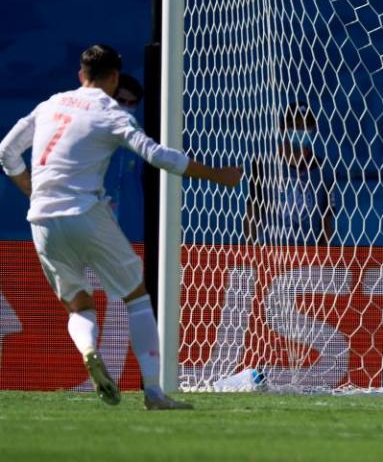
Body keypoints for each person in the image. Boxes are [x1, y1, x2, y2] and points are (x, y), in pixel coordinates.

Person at [0, 44, 242, 410]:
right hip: (85, 211)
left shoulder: (50, 104)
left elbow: (6, 151)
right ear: (113, 79)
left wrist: (34, 192)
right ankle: (154, 392)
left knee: (79, 304)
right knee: (136, 296)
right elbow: (159, 156)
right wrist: (216, 175)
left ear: (81, 75)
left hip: (41, 219)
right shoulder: (112, 113)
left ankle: (89, 350)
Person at [243, 102, 335, 246]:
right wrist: (252, 253)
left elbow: (327, 221)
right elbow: (251, 214)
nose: (301, 131)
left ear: (313, 129)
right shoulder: (263, 165)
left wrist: (322, 260)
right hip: (271, 254)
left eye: (306, 126)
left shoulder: (323, 170)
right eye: (296, 125)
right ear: (282, 128)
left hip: (309, 258)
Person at [105, 73, 145, 237]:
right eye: (121, 101)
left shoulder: (140, 139)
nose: (127, 107)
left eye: (132, 103)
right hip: (95, 224)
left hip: (130, 229)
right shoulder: (92, 133)